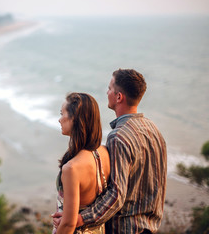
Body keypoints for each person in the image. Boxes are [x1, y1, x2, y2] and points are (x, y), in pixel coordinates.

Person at [52, 69, 167, 233]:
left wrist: (80, 218)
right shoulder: (153, 129)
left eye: (109, 89)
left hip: (126, 228)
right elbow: (159, 183)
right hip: (150, 227)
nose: (106, 92)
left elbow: (116, 195)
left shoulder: (118, 137)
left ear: (119, 97)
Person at [53, 92, 110, 234]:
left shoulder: (72, 168)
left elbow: (68, 224)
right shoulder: (103, 152)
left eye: (62, 114)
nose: (59, 120)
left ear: (75, 119)